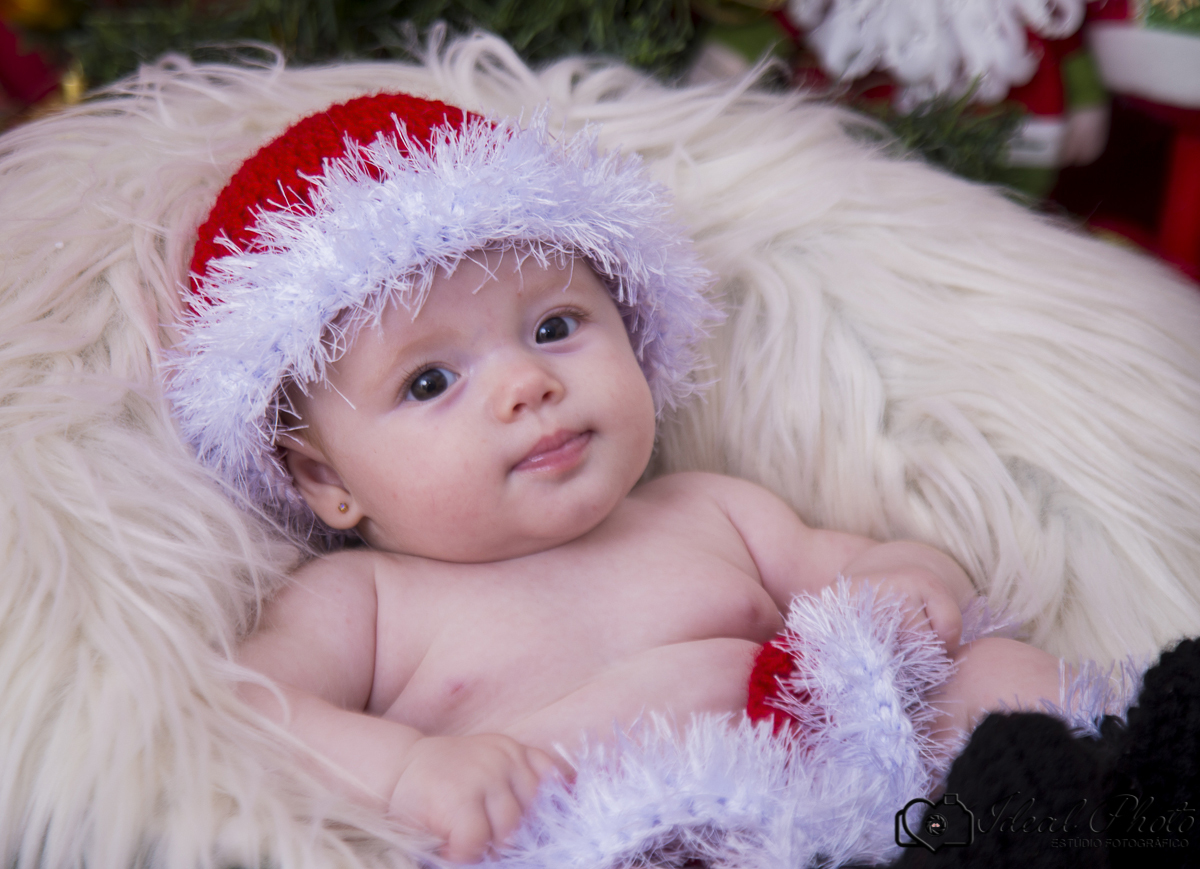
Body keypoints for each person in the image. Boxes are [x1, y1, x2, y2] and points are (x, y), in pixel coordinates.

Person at [168, 92, 1064, 863]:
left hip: (844, 793)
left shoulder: (709, 509)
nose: (528, 384)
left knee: (998, 675)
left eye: (554, 327)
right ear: (326, 479)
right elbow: (247, 707)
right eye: (430, 381)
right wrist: (408, 771)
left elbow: (871, 566)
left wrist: (905, 579)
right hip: (601, 842)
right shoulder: (366, 601)